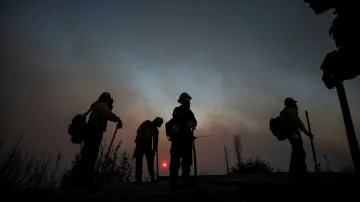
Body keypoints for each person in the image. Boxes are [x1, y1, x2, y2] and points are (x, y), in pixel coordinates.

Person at [77, 92, 123, 188]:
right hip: (94, 132)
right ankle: (86, 181)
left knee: (87, 155)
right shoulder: (102, 105)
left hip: (91, 131)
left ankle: (82, 180)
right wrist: (117, 119)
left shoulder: (97, 105)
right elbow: (106, 113)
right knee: (91, 156)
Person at [168, 92, 197, 189]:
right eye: (186, 100)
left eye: (189, 100)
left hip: (187, 140)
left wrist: (192, 122)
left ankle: (185, 180)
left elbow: (195, 121)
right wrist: (186, 124)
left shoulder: (190, 113)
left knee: (187, 161)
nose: (188, 102)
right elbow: (176, 119)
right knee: (175, 161)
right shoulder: (177, 110)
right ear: (182, 101)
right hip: (178, 140)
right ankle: (173, 182)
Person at [280, 97, 313, 176]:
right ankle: (299, 171)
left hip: (290, 134)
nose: (295, 104)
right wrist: (306, 132)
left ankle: (295, 170)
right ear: (290, 103)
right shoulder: (291, 111)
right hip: (294, 133)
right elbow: (297, 122)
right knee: (299, 150)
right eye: (294, 103)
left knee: (296, 150)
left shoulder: (285, 112)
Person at [134, 117, 163, 183]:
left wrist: (154, 150)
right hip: (141, 144)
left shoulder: (154, 129)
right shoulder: (146, 124)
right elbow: (138, 133)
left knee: (149, 162)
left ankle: (151, 177)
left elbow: (155, 141)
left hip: (147, 145)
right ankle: (139, 178)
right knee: (140, 162)